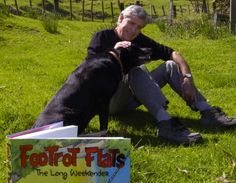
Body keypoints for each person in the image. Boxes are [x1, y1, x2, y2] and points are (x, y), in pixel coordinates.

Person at [86, 5, 236, 145]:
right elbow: (91, 70)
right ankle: (166, 124)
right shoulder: (102, 37)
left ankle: (208, 113)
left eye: (139, 27)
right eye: (131, 23)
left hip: (131, 97)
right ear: (120, 18)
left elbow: (173, 54)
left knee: (171, 65)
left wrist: (188, 78)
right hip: (109, 100)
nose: (133, 30)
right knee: (136, 70)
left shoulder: (139, 40)